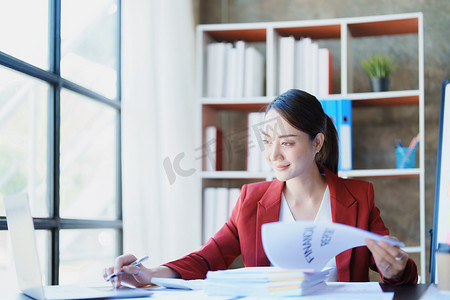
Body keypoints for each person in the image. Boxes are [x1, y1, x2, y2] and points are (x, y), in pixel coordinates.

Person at [103, 89, 418, 288]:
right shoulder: (251, 200)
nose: (274, 155)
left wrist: (397, 268)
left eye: (287, 143)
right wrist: (150, 273)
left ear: (317, 142)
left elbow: (396, 268)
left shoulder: (358, 197)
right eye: (267, 142)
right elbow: (207, 259)